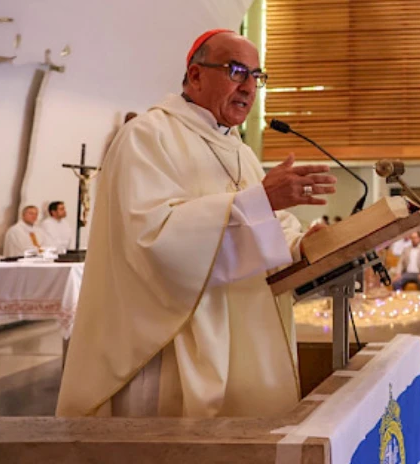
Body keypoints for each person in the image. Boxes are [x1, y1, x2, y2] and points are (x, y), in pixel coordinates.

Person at [57, 29, 338, 418]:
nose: (248, 87)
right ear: (195, 75)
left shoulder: (239, 150)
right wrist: (260, 201)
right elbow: (153, 240)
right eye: (237, 71)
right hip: (169, 345)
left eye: (257, 76)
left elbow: (268, 222)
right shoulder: (147, 136)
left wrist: (302, 244)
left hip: (239, 337)